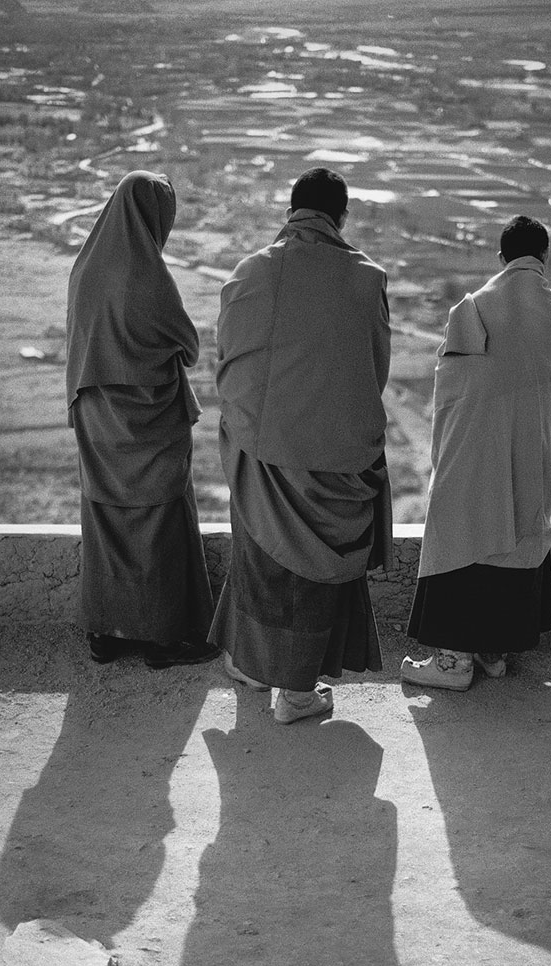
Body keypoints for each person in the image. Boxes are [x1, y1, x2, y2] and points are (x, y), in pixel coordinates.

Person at [209, 167, 393, 723]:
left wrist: (255, 429)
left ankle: (251, 663)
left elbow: (229, 362)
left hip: (262, 453)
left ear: (291, 212)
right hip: (337, 455)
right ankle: (296, 692)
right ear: (341, 217)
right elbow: (373, 370)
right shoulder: (367, 279)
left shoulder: (249, 273)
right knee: (317, 576)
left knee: (263, 560)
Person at [402, 214, 551, 690]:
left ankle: (454, 660)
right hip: (534, 453)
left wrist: (447, 451)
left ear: (502, 258)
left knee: (459, 525)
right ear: (543, 258)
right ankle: (494, 652)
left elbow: (452, 391)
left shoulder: (475, 308)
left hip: (478, 451)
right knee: (518, 534)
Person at [66, 170, 217, 668]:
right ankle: (164, 640)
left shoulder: (84, 268)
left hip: (96, 416)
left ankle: (105, 633)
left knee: (105, 516)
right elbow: (189, 347)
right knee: (160, 519)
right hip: (148, 421)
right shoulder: (149, 275)